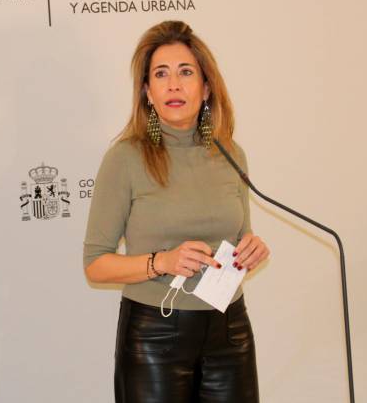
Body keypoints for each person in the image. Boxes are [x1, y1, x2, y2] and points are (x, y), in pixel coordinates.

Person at [84, 20, 270, 402]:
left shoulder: (230, 154)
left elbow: (238, 240)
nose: (173, 85)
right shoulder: (125, 158)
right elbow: (96, 264)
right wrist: (162, 262)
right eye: (161, 74)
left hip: (230, 332)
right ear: (147, 93)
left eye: (186, 73)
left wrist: (251, 249)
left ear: (205, 88)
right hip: (155, 337)